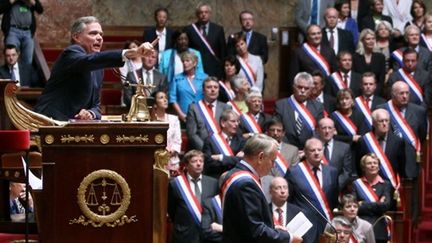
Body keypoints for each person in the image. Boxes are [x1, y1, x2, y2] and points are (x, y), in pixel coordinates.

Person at [34, 16, 153, 121]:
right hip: (49, 121)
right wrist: (132, 52)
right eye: (93, 33)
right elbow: (90, 61)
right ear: (76, 37)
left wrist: (90, 113)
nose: (99, 38)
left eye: (101, 34)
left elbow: (96, 105)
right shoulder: (71, 53)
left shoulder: (97, 68)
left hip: (74, 127)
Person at [222, 134, 302, 243]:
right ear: (260, 157)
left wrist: (274, 227)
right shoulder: (245, 184)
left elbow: (246, 223)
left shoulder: (236, 173)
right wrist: (289, 238)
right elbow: (256, 231)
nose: (273, 166)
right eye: (272, 161)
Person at [378, 81, 427, 223]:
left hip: (411, 160)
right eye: (401, 93)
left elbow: (422, 136)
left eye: (407, 93)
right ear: (393, 95)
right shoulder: (382, 109)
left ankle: (411, 226)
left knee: (411, 197)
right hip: (388, 161)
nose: (405, 96)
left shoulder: (419, 111)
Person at [285, 138, 339, 242]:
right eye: (312, 150)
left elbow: (334, 198)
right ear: (305, 152)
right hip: (305, 225)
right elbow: (289, 199)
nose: (316, 153)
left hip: (326, 223)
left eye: (319, 150)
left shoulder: (332, 171)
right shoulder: (294, 172)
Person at [168, 150, 219, 243]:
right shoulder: (176, 184)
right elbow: (172, 209)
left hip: (208, 235)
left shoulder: (213, 183)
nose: (198, 164)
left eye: (201, 161)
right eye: (194, 161)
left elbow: (215, 207)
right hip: (185, 234)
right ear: (186, 165)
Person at [275, 72, 324, 150]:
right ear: (294, 87)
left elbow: (319, 132)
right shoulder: (281, 105)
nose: (303, 91)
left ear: (311, 89)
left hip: (309, 151)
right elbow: (276, 130)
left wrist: (308, 149)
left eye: (306, 88)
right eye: (300, 87)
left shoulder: (318, 106)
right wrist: (290, 150)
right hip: (286, 150)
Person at [352, 153, 392, 243]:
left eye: (375, 163)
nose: (373, 165)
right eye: (369, 163)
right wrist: (378, 204)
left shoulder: (385, 184)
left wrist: (363, 204)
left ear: (378, 167)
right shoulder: (357, 184)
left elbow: (386, 205)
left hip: (379, 230)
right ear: (363, 167)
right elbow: (354, 207)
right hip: (361, 229)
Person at [357, 108, 405, 180]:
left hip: (391, 184)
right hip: (369, 184)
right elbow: (359, 165)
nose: (384, 124)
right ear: (374, 123)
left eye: (386, 121)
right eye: (381, 121)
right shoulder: (364, 141)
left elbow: (401, 166)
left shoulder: (398, 141)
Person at [186, 76, 231, 150]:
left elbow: (230, 131)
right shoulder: (194, 108)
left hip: (223, 150)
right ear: (203, 90)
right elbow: (192, 134)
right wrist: (206, 150)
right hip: (201, 152)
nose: (213, 90)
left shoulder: (227, 108)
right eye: (209, 87)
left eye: (215, 87)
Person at [184, 3, 226, 79]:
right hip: (196, 68)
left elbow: (222, 51)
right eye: (201, 12)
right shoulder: (189, 29)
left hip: (214, 69)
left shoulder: (218, 29)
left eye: (206, 12)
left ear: (210, 14)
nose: (203, 14)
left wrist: (222, 70)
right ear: (197, 15)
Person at [269, 177, 316, 243]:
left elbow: (307, 240)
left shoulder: (300, 213)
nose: (282, 191)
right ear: (270, 191)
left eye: (285, 188)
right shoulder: (264, 211)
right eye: (278, 188)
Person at [203, 109, 245, 179]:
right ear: (223, 123)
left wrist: (221, 158)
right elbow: (208, 162)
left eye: (238, 121)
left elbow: (242, 161)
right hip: (215, 178)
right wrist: (233, 159)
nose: (237, 124)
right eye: (233, 121)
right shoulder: (210, 140)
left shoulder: (242, 141)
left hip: (236, 179)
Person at [0, 0, 44, 65]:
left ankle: (25, 75)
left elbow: (40, 10)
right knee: (11, 59)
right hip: (13, 32)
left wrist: (32, 2)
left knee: (28, 61)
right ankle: (10, 74)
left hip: (28, 33)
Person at [169, 51, 208, 122]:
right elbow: (172, 99)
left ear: (194, 63)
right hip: (184, 116)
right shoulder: (177, 79)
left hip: (202, 115)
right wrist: (181, 114)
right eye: (183, 61)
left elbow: (209, 97)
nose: (184, 63)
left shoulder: (204, 78)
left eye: (187, 61)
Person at [316, 117, 353, 190]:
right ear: (318, 130)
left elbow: (347, 172)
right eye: (324, 128)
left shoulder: (344, 148)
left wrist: (334, 187)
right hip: (316, 190)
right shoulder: (312, 147)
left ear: (334, 130)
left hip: (336, 190)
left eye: (330, 128)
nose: (327, 131)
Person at [150, 91, 181, 172]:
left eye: (166, 98)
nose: (165, 100)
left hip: (171, 159)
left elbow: (177, 140)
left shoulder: (174, 119)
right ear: (155, 104)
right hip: (153, 160)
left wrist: (170, 151)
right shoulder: (149, 120)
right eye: (161, 98)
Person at [352, 28, 386, 94]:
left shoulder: (380, 57)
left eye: (373, 39)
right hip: (359, 92)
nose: (371, 41)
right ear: (362, 41)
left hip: (377, 93)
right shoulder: (355, 57)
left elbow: (381, 79)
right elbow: (354, 78)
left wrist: (375, 92)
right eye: (368, 39)